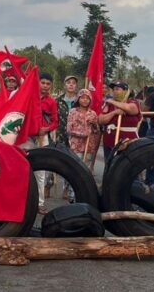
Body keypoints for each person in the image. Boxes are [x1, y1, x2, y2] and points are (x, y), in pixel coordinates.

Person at [19, 73, 59, 214]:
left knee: (41, 173)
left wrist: (46, 129)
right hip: (27, 138)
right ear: (38, 83)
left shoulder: (52, 102)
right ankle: (21, 202)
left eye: (48, 84)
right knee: (23, 168)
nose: (45, 86)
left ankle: (39, 203)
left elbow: (55, 122)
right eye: (43, 83)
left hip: (42, 138)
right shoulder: (29, 97)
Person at [98, 81, 142, 165]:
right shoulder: (108, 104)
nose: (114, 91)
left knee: (128, 167)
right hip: (109, 141)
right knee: (110, 167)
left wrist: (113, 102)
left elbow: (131, 109)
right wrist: (114, 113)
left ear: (125, 91)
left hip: (128, 142)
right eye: (113, 89)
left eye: (117, 89)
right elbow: (101, 120)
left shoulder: (132, 102)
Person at [66, 89, 100, 161]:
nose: (85, 100)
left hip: (89, 147)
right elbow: (69, 130)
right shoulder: (73, 112)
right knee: (75, 167)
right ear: (78, 99)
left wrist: (94, 124)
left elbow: (96, 131)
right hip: (76, 147)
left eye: (87, 98)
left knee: (85, 169)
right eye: (82, 97)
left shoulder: (93, 113)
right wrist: (83, 134)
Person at [56, 75, 79, 150]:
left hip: (76, 139)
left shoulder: (80, 102)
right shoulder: (58, 101)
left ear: (76, 86)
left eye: (74, 83)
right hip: (60, 137)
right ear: (65, 86)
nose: (71, 84)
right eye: (68, 83)